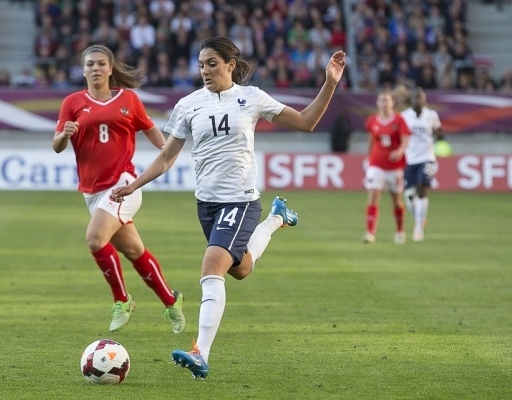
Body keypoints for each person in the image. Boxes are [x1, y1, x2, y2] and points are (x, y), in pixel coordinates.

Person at [112, 37, 346, 379]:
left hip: (240, 199)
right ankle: (277, 218)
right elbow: (166, 157)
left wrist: (329, 83)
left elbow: (307, 121)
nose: (205, 71)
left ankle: (200, 354)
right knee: (241, 269)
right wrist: (134, 183)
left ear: (230, 65)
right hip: (206, 205)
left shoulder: (251, 98)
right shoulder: (188, 105)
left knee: (212, 267)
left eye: (212, 63)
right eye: (201, 65)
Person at [52, 44, 185, 334]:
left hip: (123, 184)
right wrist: (64, 134)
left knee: (95, 239)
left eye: (101, 63)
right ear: (83, 69)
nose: (95, 69)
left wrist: (165, 149)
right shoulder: (72, 102)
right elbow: (57, 146)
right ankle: (171, 301)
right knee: (135, 251)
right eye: (90, 64)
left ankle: (122, 300)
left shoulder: (129, 99)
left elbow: (148, 127)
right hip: (91, 191)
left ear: (111, 68)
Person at [363, 90, 411, 244]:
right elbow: (371, 142)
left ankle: (399, 231)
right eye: (381, 100)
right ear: (378, 103)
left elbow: (405, 140)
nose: (384, 103)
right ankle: (370, 233)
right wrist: (368, 159)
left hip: (395, 167)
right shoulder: (372, 121)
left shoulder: (399, 120)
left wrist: (399, 151)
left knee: (397, 200)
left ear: (392, 103)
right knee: (373, 196)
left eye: (387, 100)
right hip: (376, 164)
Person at [400, 88, 445, 242]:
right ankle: (419, 219)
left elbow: (439, 133)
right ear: (412, 100)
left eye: (423, 99)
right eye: (418, 98)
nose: (421, 101)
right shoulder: (404, 116)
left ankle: (418, 229)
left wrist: (439, 133)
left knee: (421, 190)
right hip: (409, 159)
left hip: (427, 158)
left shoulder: (432, 115)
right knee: (408, 195)